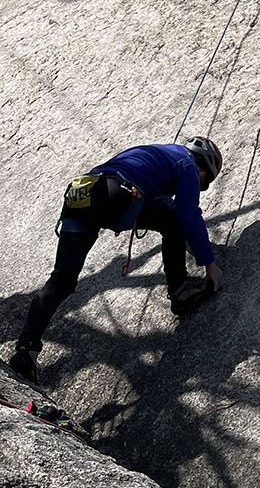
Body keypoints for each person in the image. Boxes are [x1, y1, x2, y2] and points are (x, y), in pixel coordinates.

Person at [8, 137, 225, 385]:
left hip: (82, 195)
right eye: (204, 181)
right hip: (116, 195)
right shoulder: (186, 164)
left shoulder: (153, 154)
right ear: (202, 165)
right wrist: (210, 264)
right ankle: (180, 289)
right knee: (175, 221)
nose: (199, 186)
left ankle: (26, 351)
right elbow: (187, 214)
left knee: (62, 280)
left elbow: (162, 203)